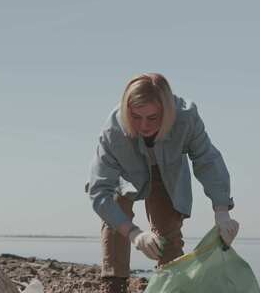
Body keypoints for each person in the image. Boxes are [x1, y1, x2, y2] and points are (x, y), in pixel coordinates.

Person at [86, 73, 240, 293]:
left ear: (167, 111)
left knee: (168, 238)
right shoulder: (113, 131)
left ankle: (170, 285)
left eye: (152, 117)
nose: (143, 125)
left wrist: (222, 210)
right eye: (136, 117)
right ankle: (114, 284)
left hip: (167, 174)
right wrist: (134, 234)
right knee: (114, 213)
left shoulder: (186, 118)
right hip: (124, 175)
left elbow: (208, 160)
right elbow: (99, 191)